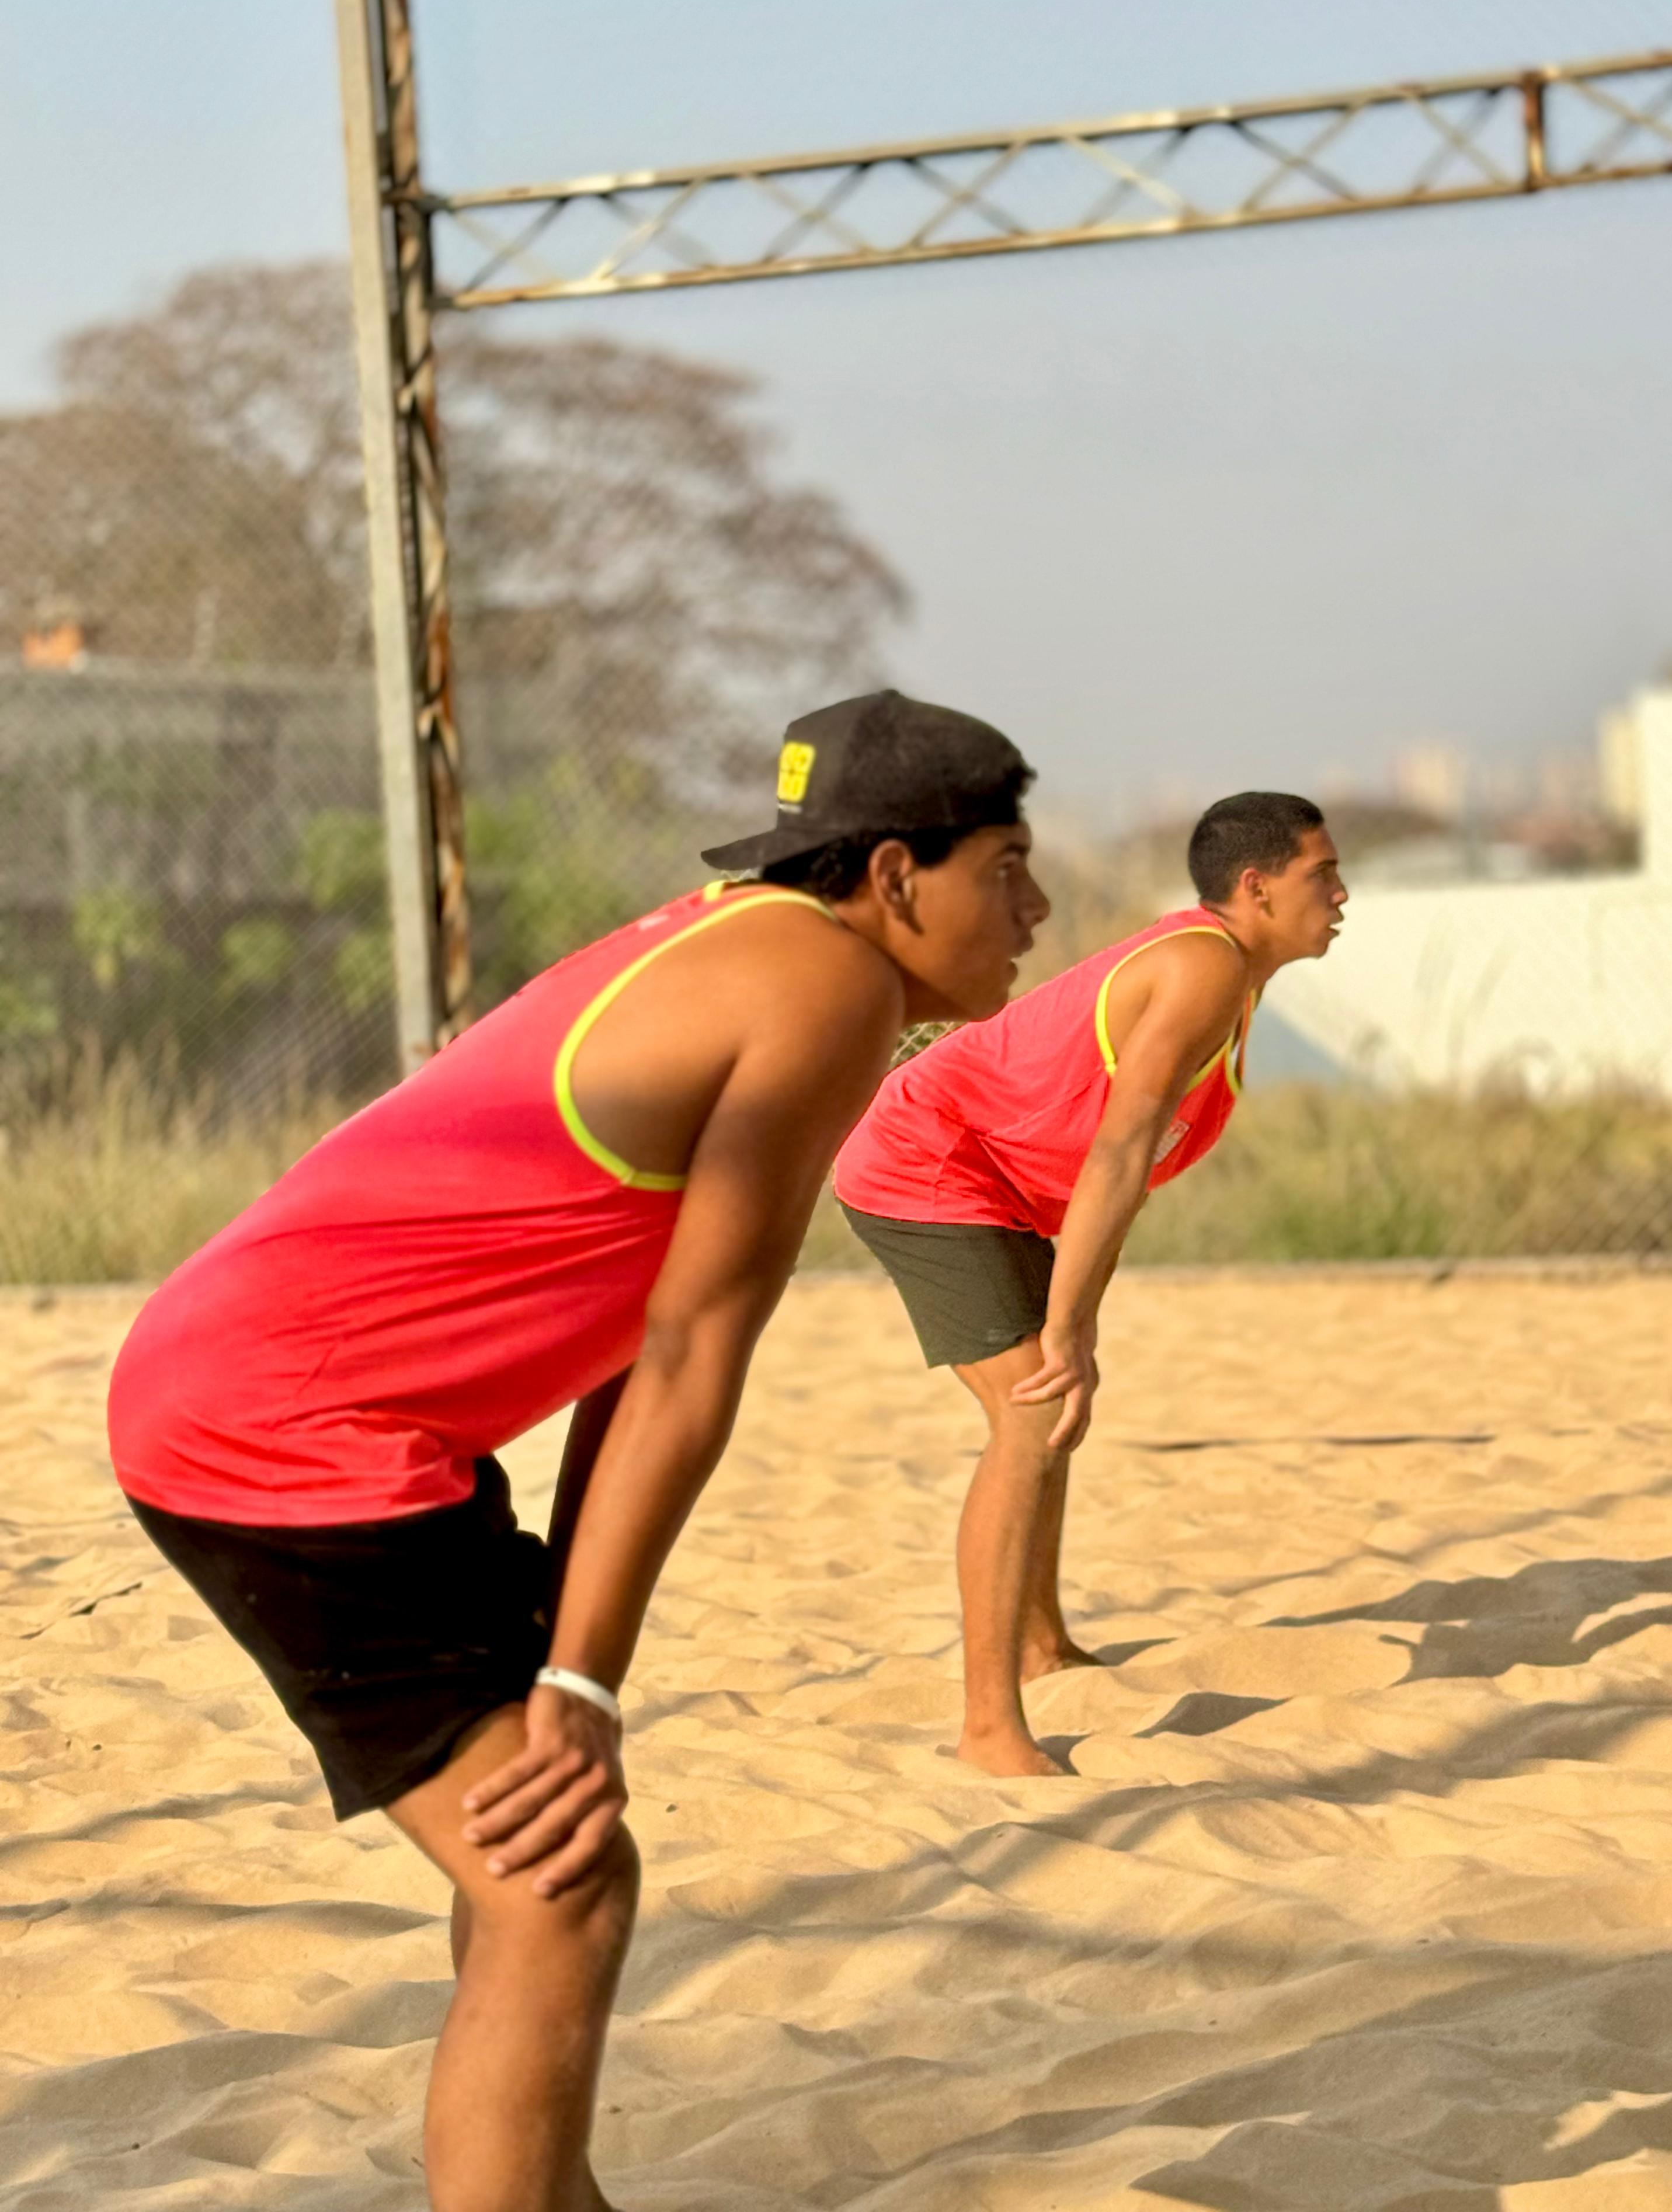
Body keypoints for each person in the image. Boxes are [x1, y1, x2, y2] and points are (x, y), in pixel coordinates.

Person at [108, 688, 1047, 2212]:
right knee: (562, 1880)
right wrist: (583, 1681)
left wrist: (562, 1643)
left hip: (302, 1405)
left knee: (535, 1859)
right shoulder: (826, 989)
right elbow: (691, 1355)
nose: (1036, 906)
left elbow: (643, 1337)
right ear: (893, 876)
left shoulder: (727, 937)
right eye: (1005, 864)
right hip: (282, 1430)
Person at [834, 791, 1347, 1777]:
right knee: (1030, 1415)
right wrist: (1063, 1330)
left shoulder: (1229, 977)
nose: (1340, 892)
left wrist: (1082, 1325)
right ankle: (989, 1729)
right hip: (927, 1161)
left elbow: (1122, 1173)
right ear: (1258, 886)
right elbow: (1118, 1150)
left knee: (1053, 1396)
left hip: (1007, 1188)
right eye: (1322, 874)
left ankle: (1041, 1643)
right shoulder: (1205, 964)